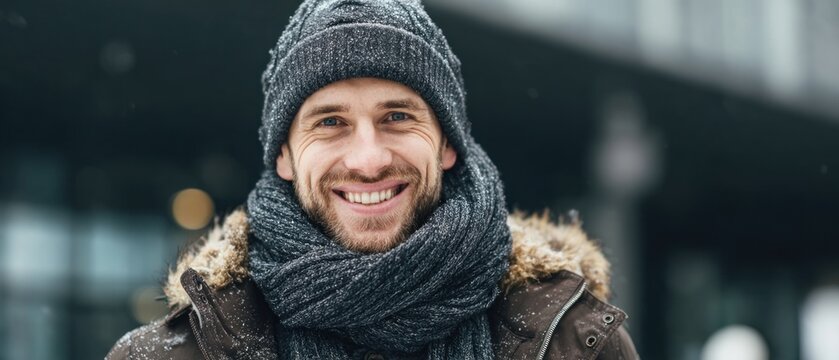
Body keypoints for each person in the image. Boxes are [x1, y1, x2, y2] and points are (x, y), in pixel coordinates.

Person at [106, 0, 639, 359]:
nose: (368, 160)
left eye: (398, 117)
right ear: (285, 156)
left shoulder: (575, 343)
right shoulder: (171, 355)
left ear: (448, 143)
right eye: (330, 122)